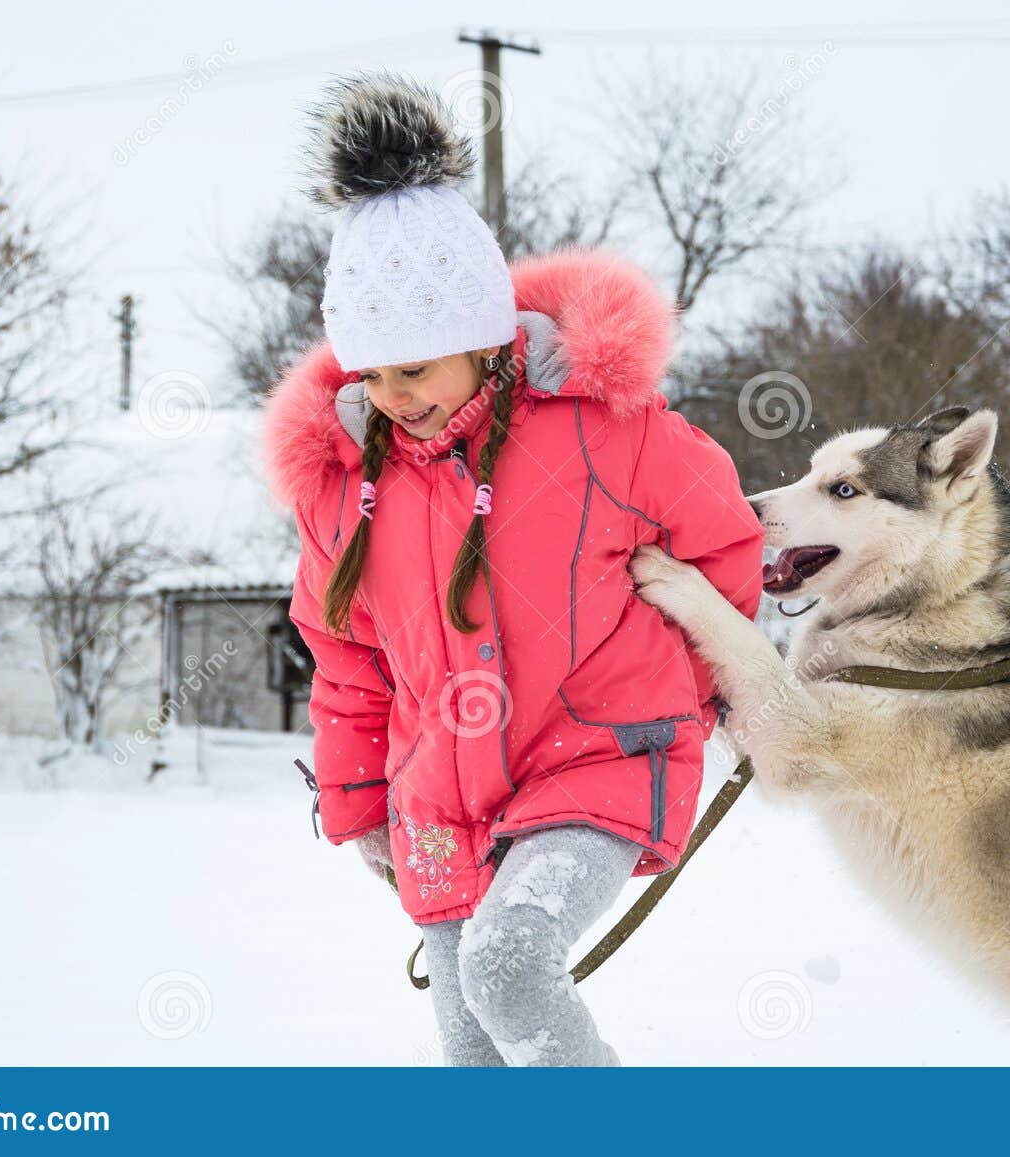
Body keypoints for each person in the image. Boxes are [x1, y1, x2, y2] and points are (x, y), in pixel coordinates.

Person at [260, 73, 762, 1065]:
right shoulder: (346, 490)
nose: (394, 395)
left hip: (599, 757)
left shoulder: (602, 433)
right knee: (470, 1048)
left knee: (507, 963)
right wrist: (360, 800)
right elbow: (344, 655)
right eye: (373, 373)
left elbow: (722, 541)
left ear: (484, 341)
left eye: (417, 367)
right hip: (438, 799)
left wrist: (697, 690)